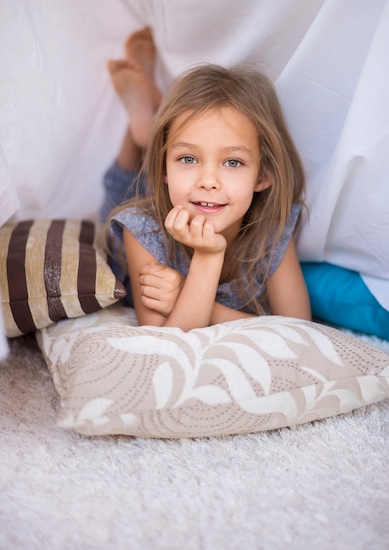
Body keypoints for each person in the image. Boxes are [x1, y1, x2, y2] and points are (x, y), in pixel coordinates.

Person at [102, 28, 311, 331]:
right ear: (162, 166)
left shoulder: (272, 231)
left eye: (233, 162)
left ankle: (150, 125)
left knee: (175, 173)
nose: (208, 181)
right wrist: (208, 257)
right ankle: (144, 132)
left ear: (263, 175)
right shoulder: (142, 230)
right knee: (119, 193)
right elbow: (166, 339)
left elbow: (299, 331)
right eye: (188, 159)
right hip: (152, 198)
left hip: (177, 192)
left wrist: (184, 292)